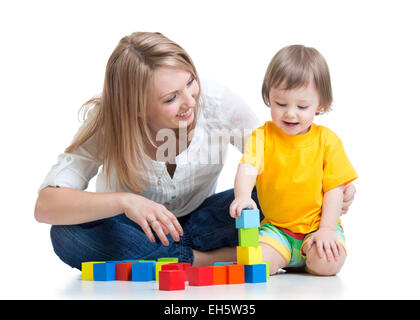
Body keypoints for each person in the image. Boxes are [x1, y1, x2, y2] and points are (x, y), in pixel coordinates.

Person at [34, 32, 356, 270]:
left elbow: (276, 158)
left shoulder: (217, 104)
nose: (190, 101)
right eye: (170, 98)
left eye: (190, 82)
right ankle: (212, 259)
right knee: (65, 234)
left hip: (204, 223)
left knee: (258, 199)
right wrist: (125, 202)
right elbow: (46, 206)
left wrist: (331, 186)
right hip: (137, 231)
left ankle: (166, 259)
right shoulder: (109, 122)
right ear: (135, 108)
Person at [230, 45, 357, 276]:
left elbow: (334, 189)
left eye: (302, 106)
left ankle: (309, 258)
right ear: (269, 97)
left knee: (327, 264)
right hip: (277, 231)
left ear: (319, 105)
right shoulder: (262, 136)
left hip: (317, 228)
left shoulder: (327, 141)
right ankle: (284, 257)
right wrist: (243, 196)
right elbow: (248, 167)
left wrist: (327, 230)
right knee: (252, 265)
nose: (290, 113)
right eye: (281, 104)